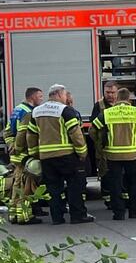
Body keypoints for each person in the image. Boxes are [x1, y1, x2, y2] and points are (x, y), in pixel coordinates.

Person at [25, 84, 92, 225]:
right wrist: (82, 152)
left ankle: (57, 217)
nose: (66, 97)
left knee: (53, 188)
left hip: (46, 158)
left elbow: (30, 135)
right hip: (66, 155)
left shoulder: (36, 111)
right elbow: (76, 133)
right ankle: (77, 216)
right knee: (75, 186)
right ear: (59, 94)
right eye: (65, 94)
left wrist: (35, 153)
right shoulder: (65, 110)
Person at [90, 88, 136, 221]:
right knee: (134, 183)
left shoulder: (107, 113)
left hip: (112, 154)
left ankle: (118, 213)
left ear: (117, 98)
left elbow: (92, 130)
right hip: (133, 154)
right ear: (129, 99)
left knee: (115, 184)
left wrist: (100, 143)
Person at [6, 87, 45, 225]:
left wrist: (11, 145)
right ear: (32, 97)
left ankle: (13, 215)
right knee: (25, 188)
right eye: (40, 96)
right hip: (24, 156)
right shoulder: (29, 113)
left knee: (16, 187)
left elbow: (7, 131)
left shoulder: (17, 110)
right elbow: (24, 135)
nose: (42, 99)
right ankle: (24, 216)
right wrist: (18, 148)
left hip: (17, 156)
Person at [90, 80, 119, 208]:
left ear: (117, 92)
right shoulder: (99, 106)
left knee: (119, 174)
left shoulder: (122, 105)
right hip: (104, 146)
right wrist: (98, 143)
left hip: (120, 146)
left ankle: (119, 198)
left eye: (113, 92)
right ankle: (108, 200)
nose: (110, 95)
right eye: (107, 92)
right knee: (105, 174)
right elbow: (93, 128)